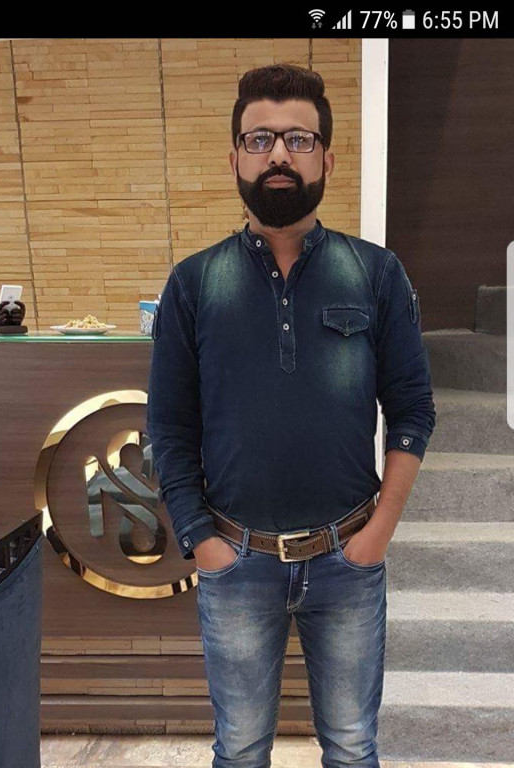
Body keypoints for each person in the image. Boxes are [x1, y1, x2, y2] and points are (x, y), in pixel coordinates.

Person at [146, 63, 436, 768]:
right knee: (241, 750)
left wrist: (378, 534)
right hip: (235, 561)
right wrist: (202, 543)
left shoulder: (376, 273)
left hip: (348, 559)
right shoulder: (194, 284)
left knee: (353, 747)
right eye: (260, 139)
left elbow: (411, 410)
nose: (279, 153)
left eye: (299, 139)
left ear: (327, 159)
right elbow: (171, 429)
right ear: (235, 159)